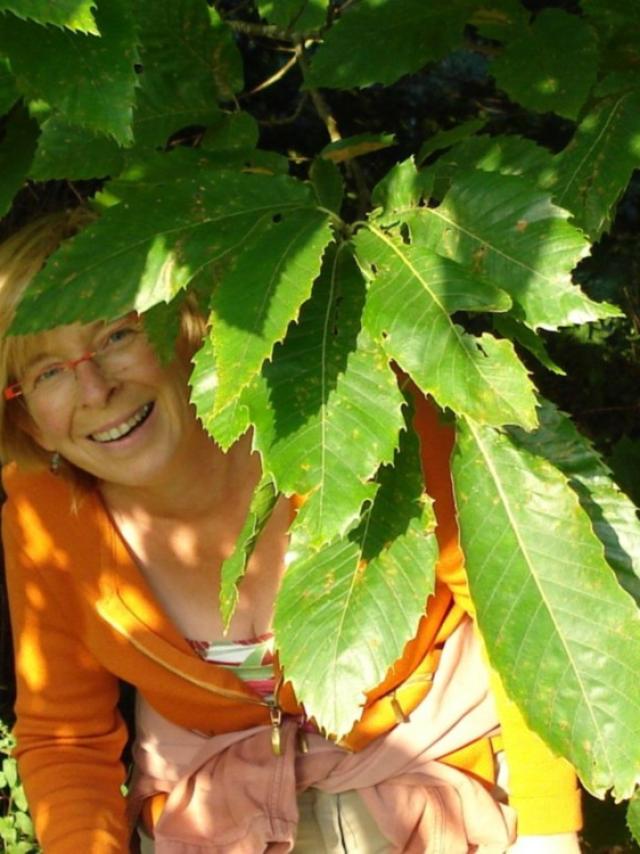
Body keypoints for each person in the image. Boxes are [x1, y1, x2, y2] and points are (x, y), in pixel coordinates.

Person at [0, 210, 582, 853]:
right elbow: (66, 738)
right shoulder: (44, 518)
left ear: (189, 324)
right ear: (27, 420)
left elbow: (518, 613)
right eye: (47, 372)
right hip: (222, 813)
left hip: (446, 768)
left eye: (116, 335)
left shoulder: (345, 409)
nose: (95, 388)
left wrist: (550, 830)